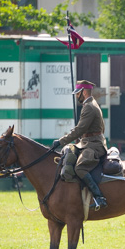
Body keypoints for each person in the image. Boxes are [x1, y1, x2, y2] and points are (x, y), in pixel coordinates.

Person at [51, 80, 108, 210]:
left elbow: (79, 130)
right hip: (88, 143)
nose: (77, 96)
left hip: (94, 146)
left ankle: (99, 197)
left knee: (80, 168)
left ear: (83, 91)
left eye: (78, 93)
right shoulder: (92, 104)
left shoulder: (89, 107)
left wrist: (61, 141)